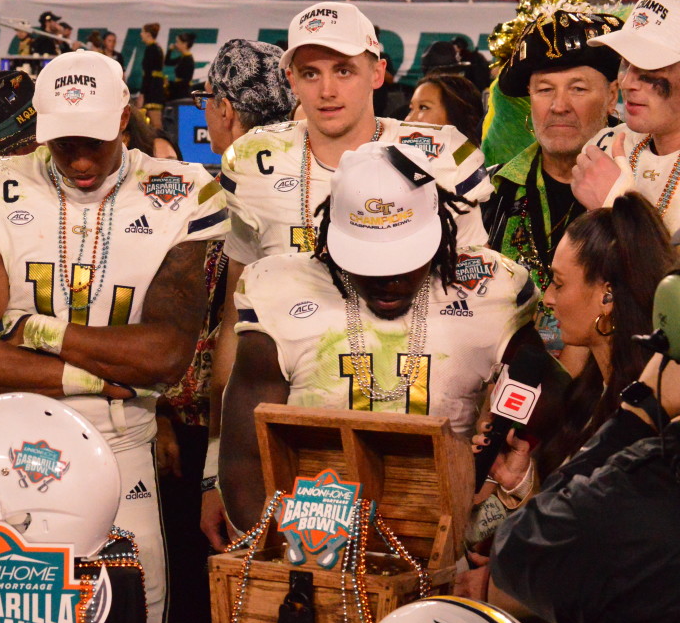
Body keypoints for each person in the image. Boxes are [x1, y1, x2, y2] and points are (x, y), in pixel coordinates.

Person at [0, 49, 229, 623]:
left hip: (121, 446)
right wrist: (94, 375)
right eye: (63, 140)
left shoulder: (183, 191)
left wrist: (35, 331)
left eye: (93, 138)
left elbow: (165, 356)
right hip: (4, 437)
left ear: (124, 119)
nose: (78, 158)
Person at [210, 2, 492, 490]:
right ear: (290, 80)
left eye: (344, 70)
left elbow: (478, 299)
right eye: (310, 73)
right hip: (300, 431)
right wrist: (216, 467)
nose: (327, 90)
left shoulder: (441, 156)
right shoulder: (254, 163)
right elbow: (236, 319)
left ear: (378, 72)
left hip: (424, 412)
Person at [220, 142, 549, 530]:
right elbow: (244, 459)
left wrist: (502, 463)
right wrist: (293, 558)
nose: (388, 279)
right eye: (367, 262)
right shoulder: (280, 290)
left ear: (440, 233)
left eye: (404, 260)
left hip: (452, 545)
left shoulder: (490, 289)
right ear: (328, 240)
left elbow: (551, 392)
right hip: (312, 549)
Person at [458, 194, 676, 607]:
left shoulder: (648, 415)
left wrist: (497, 589)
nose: (548, 299)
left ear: (607, 296)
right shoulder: (584, 392)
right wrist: (521, 484)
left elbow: (605, 561)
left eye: (558, 283)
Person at [491, 341, 680, 623]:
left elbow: (526, 551)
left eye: (559, 284)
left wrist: (637, 416)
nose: (548, 297)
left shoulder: (651, 481)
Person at [483, 8, 622, 355]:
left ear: (611, 96)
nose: (559, 106)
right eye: (545, 90)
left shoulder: (647, 189)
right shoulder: (489, 193)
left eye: (577, 88)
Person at [572, 0, 680, 233]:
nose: (627, 82)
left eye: (649, 66)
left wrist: (616, 204)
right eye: (625, 62)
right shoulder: (608, 145)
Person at [405, 74, 484, 146]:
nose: (409, 120)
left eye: (423, 107)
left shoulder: (476, 159)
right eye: (411, 108)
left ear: (457, 114)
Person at [139, 23, 166, 128]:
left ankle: (161, 142)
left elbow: (148, 74)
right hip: (155, 87)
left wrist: (142, 93)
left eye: (143, 32)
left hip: (152, 89)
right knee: (151, 123)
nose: (141, 34)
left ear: (148, 34)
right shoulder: (157, 48)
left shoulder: (151, 49)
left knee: (156, 123)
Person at [165, 31, 196, 101]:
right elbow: (167, 62)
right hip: (178, 91)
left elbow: (185, 81)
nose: (175, 44)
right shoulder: (182, 57)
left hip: (182, 93)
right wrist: (170, 50)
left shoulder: (188, 60)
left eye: (178, 42)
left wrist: (170, 83)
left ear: (185, 44)